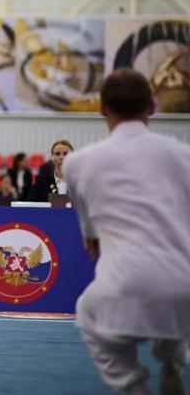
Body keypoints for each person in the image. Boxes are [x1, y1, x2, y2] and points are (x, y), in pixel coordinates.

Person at [64, 68, 190, 395]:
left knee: (88, 313)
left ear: (101, 109)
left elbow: (89, 229)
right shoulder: (184, 155)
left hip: (125, 285)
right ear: (152, 106)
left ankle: (133, 386)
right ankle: (174, 357)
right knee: (176, 311)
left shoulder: (76, 163)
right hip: (185, 285)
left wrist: (93, 238)